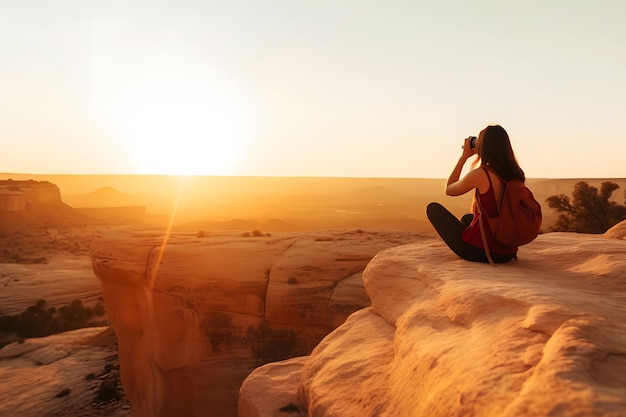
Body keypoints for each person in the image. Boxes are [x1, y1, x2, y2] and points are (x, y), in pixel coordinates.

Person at [426, 125, 524, 263]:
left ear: (483, 147)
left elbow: (449, 189)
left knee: (433, 209)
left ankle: (475, 247)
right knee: (468, 218)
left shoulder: (482, 174)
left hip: (484, 253)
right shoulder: (516, 174)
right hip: (508, 251)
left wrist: (464, 157)